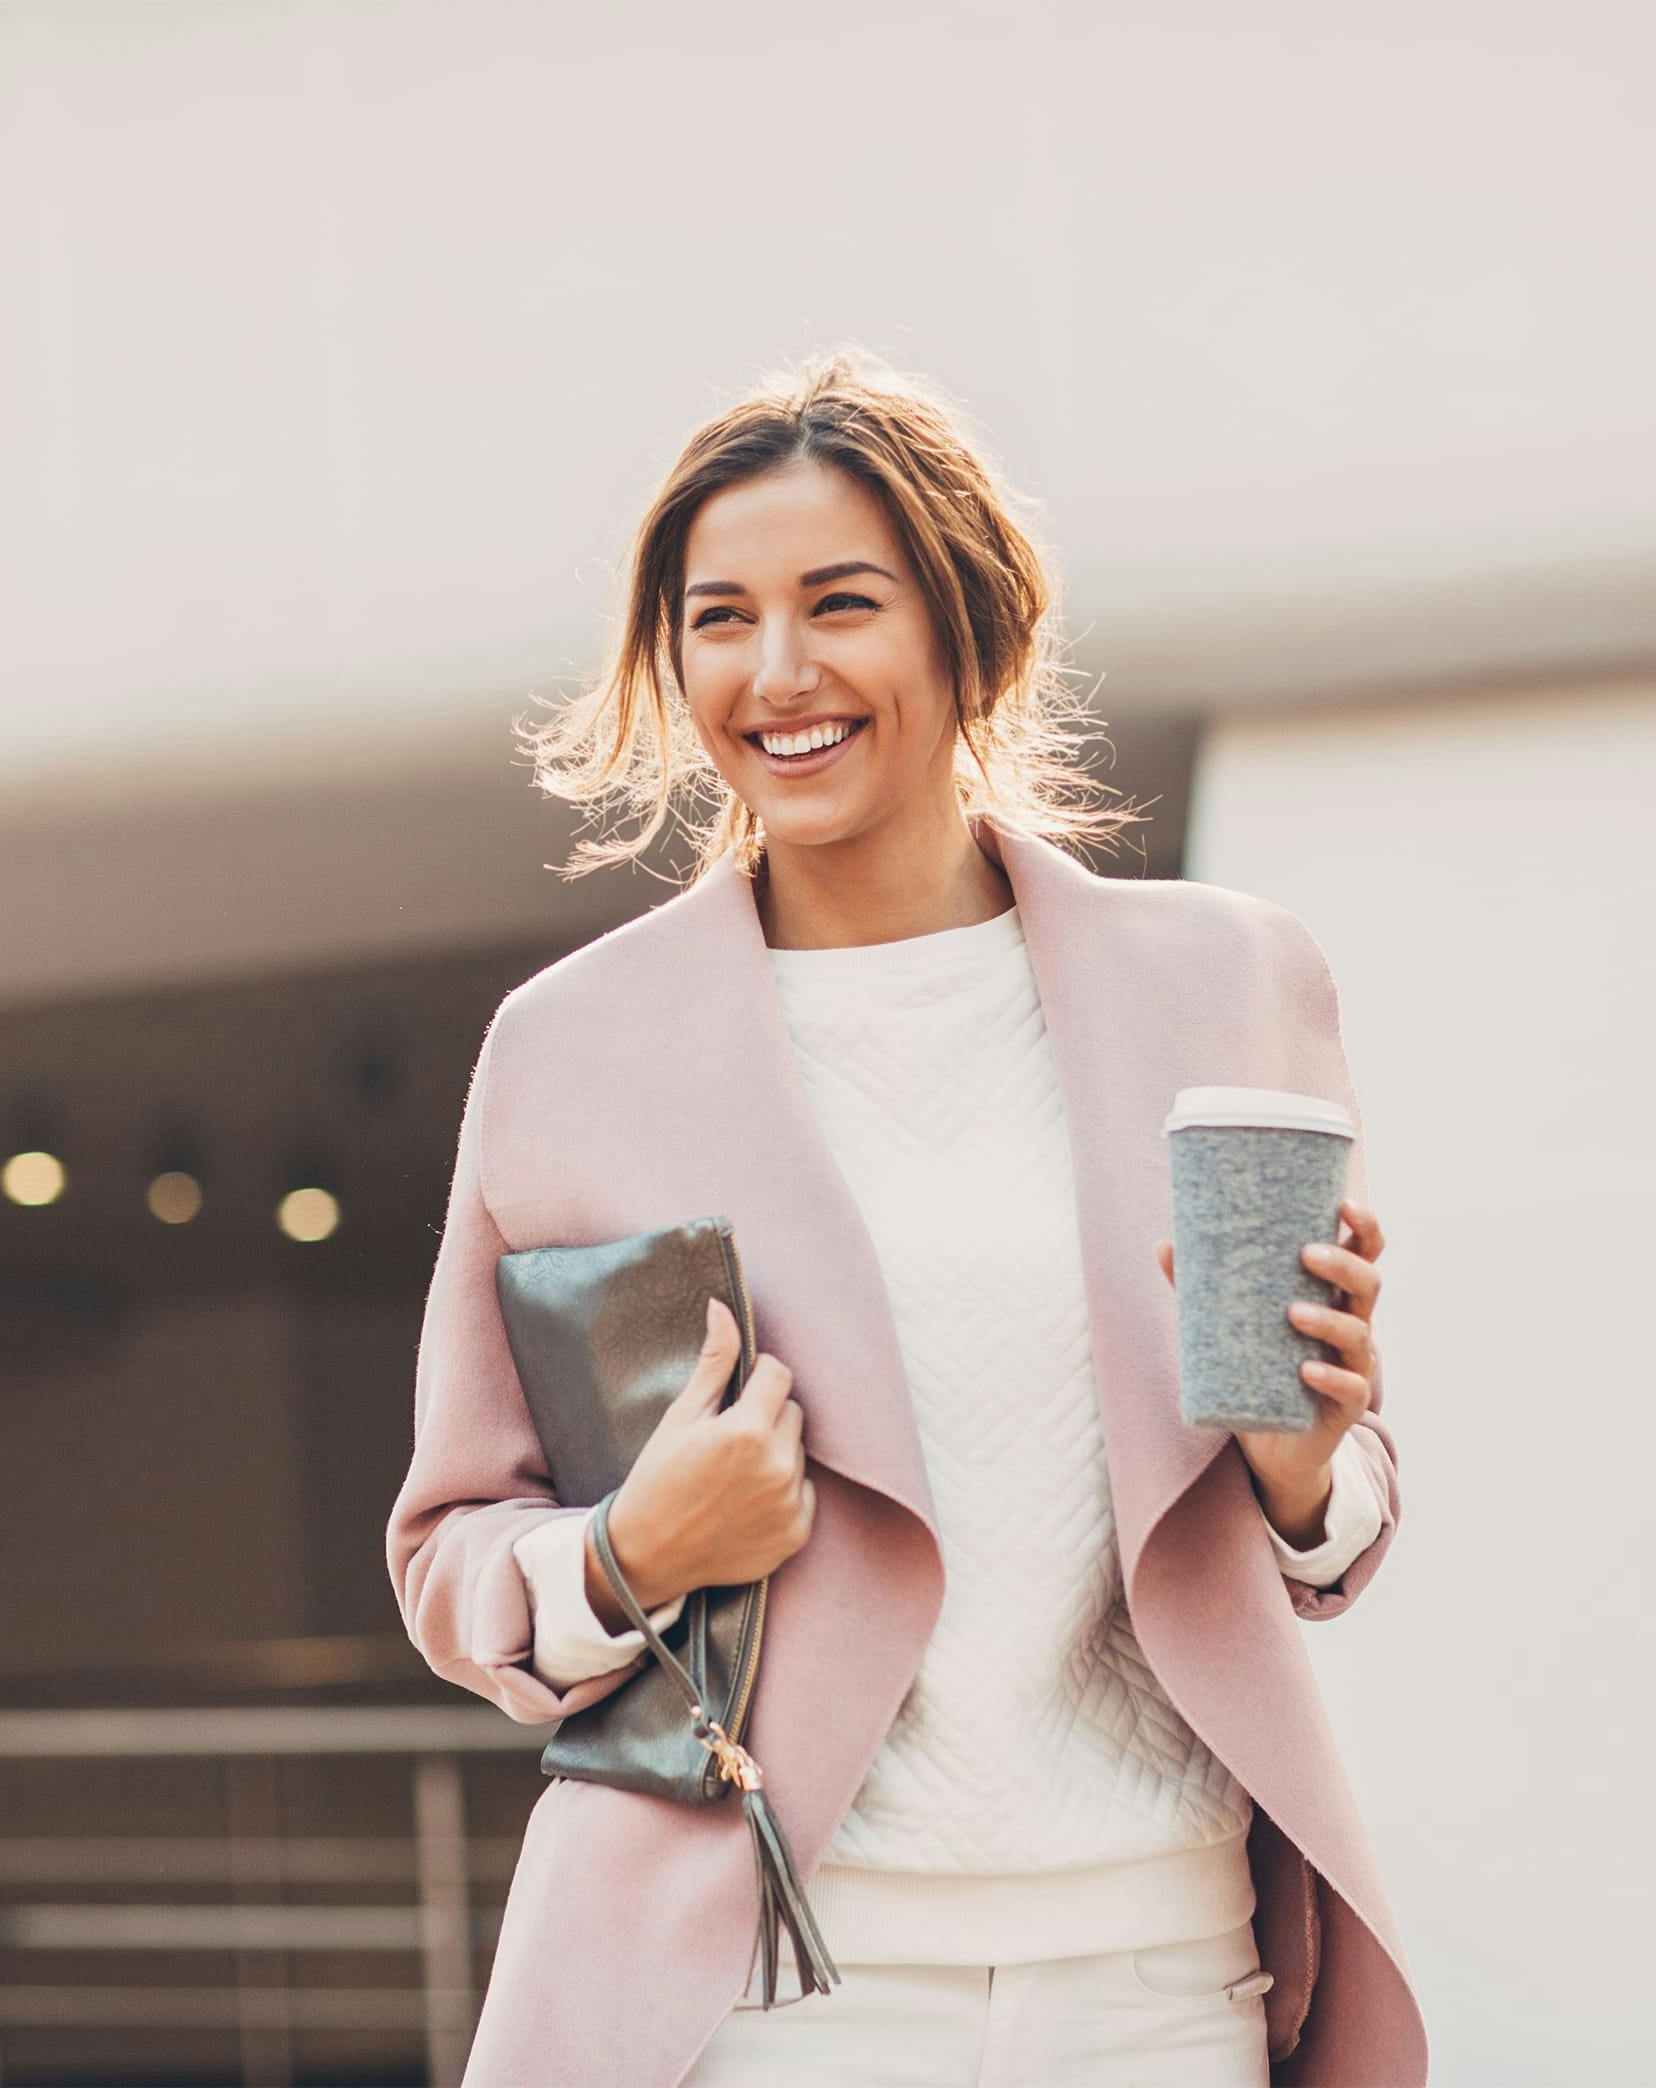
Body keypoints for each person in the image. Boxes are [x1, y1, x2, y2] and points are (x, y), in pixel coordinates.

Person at [385, 349, 1426, 2086]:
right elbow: (450, 1551)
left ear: (970, 627)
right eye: (720, 620)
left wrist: (1314, 1465)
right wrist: (639, 1550)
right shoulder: (575, 1050)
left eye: (838, 603)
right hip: (773, 1970)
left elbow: (1331, 1518)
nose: (776, 675)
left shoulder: (1225, 980)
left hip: (1164, 1969)